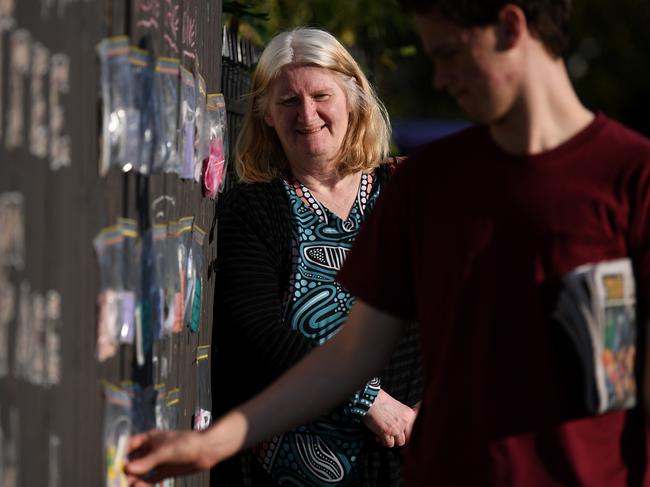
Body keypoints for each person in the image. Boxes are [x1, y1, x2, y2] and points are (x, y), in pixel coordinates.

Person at [126, 1, 650, 486]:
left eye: (447, 54)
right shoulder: (427, 185)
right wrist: (208, 446)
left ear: (511, 27)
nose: (440, 79)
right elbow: (347, 360)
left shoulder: (630, 179)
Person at [210, 27, 422, 487]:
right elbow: (261, 333)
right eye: (288, 101)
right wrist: (368, 401)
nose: (307, 115)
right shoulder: (252, 211)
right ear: (266, 112)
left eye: (321, 95)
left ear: (352, 96)